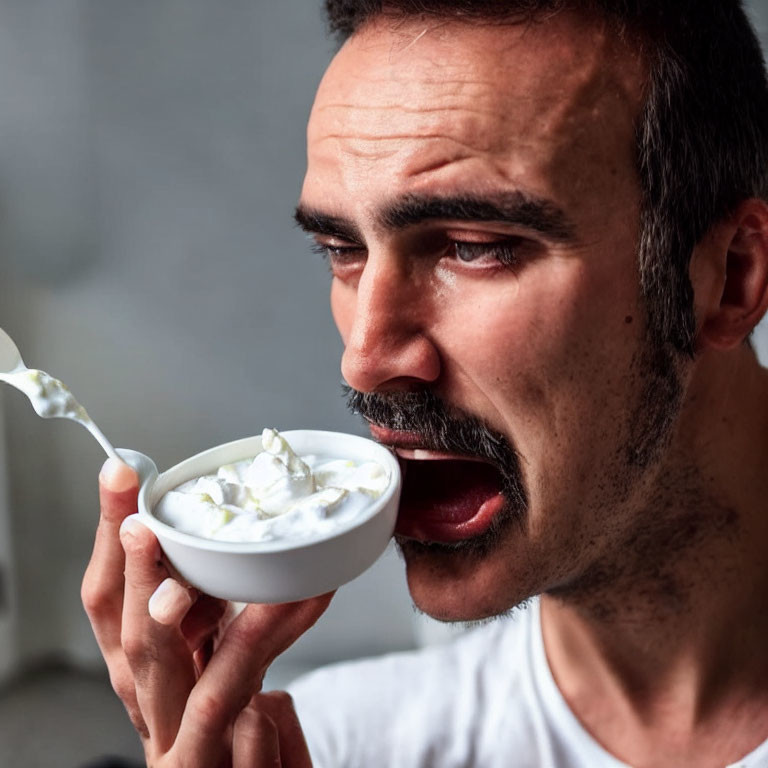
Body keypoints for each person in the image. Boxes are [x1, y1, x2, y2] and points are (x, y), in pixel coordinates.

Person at [82, 0, 768, 765]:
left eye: (474, 247)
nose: (365, 358)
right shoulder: (320, 745)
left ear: (731, 277)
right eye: (342, 249)